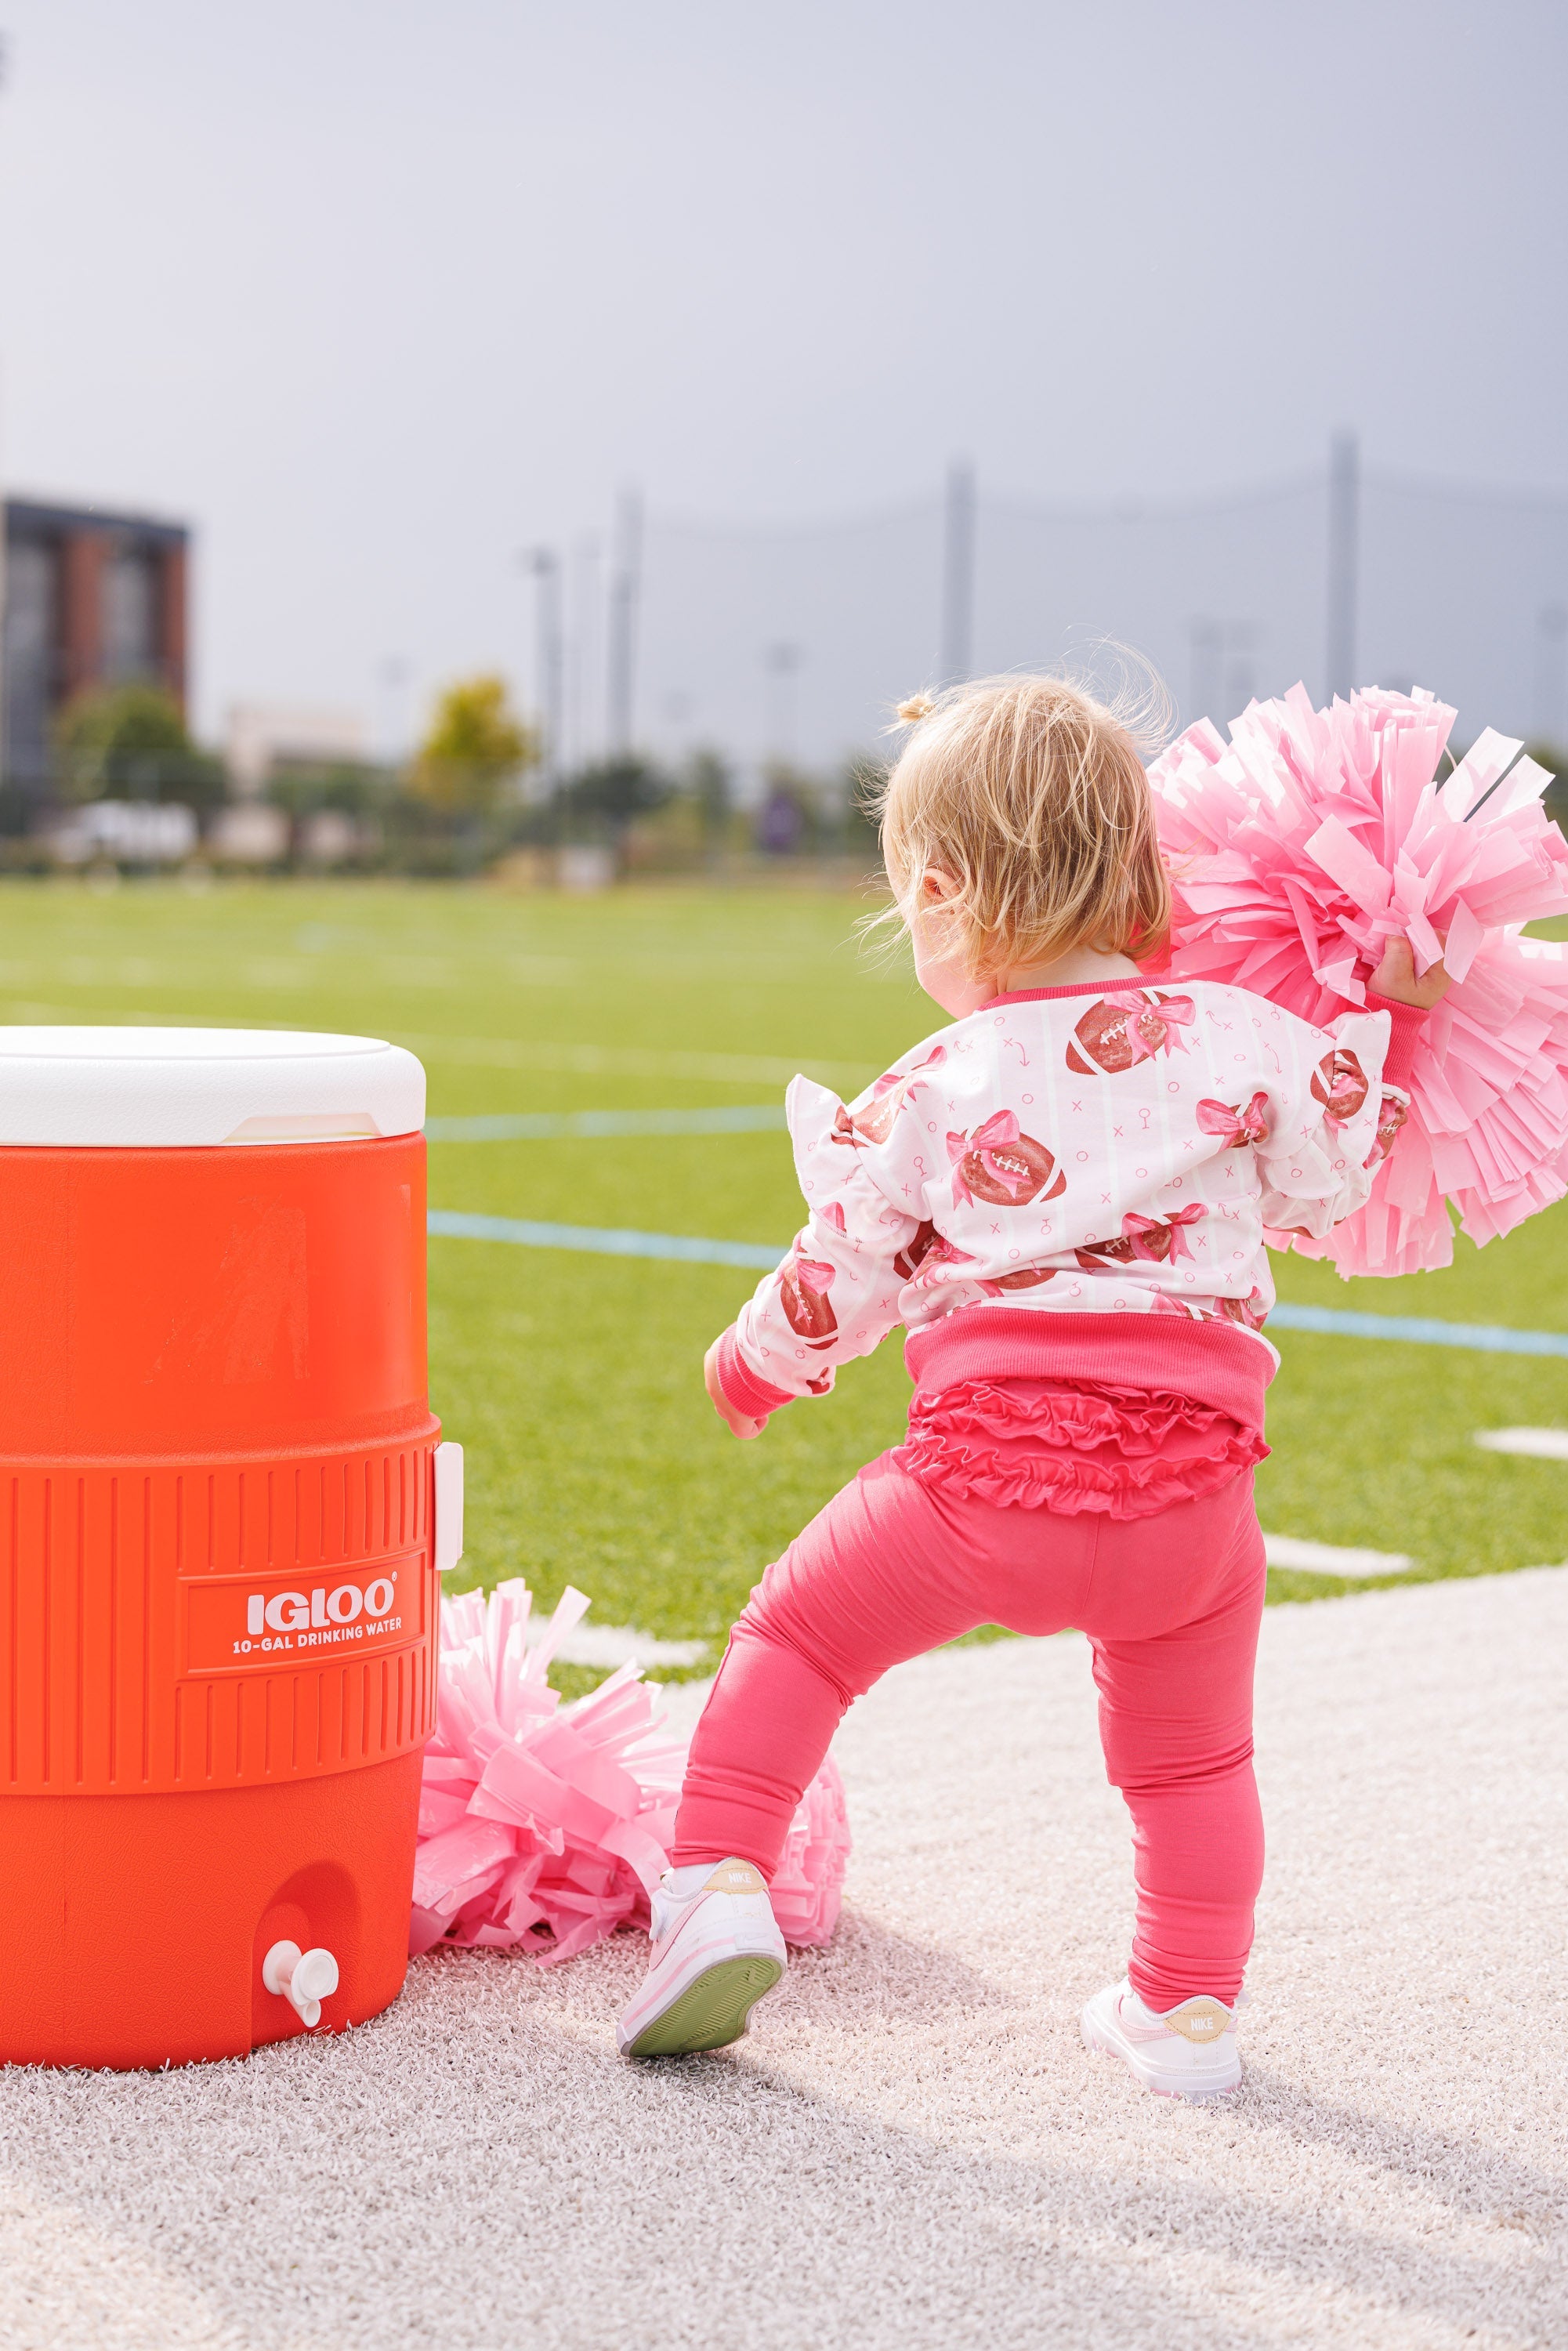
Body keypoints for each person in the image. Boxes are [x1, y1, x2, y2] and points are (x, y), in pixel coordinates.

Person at [616, 674, 1448, 2096]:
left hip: (975, 1491)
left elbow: (840, 1275)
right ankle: (1186, 2014)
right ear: (1139, 872)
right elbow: (1334, 1179)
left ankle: (716, 1888)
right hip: (1193, 1517)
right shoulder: (1242, 1040)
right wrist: (1393, 1013)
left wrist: (751, 1365)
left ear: (937, 894)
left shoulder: (937, 1080)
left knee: (798, 1642)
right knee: (1191, 1765)